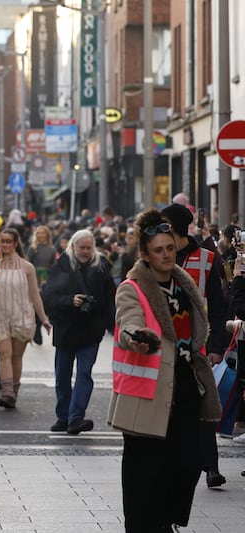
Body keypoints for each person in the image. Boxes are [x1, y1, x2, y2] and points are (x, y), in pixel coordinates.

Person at [109, 209, 220, 532]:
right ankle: (146, 525)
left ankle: (165, 518)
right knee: (144, 472)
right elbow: (128, 320)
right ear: (145, 254)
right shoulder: (133, 288)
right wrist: (137, 337)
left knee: (189, 463)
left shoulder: (184, 286)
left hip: (184, 386)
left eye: (170, 248)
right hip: (147, 394)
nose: (166, 255)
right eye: (158, 250)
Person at [160, 202, 229, 488]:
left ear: (174, 228)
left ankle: (210, 466)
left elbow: (218, 307)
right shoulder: (160, 256)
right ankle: (171, 461)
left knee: (204, 405)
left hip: (198, 344)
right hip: (167, 342)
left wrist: (216, 346)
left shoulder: (209, 259)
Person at [41, 230, 115, 435]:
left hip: (91, 330)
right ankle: (63, 416)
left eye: (88, 248)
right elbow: (49, 296)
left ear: (93, 248)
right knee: (62, 376)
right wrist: (70, 300)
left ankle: (76, 417)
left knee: (84, 374)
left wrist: (112, 326)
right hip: (66, 329)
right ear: (73, 247)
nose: (84, 251)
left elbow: (110, 300)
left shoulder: (101, 266)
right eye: (81, 247)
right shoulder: (61, 266)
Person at [0, 228, 51, 409]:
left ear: (16, 243)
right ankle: (7, 392)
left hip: (22, 317)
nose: (5, 245)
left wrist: (43, 319)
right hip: (0, 317)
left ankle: (14, 392)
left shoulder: (27, 267)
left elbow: (35, 295)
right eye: (2, 241)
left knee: (16, 356)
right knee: (5, 354)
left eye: (9, 241)